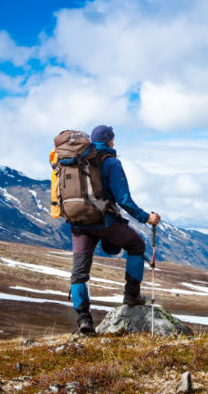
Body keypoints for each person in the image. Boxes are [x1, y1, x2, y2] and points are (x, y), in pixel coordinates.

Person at [69, 125, 161, 334]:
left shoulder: (76, 162)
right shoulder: (111, 162)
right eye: (113, 139)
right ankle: (132, 295)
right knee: (136, 244)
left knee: (79, 274)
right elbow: (124, 199)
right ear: (109, 140)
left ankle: (84, 320)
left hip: (78, 224)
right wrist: (146, 217)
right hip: (104, 222)